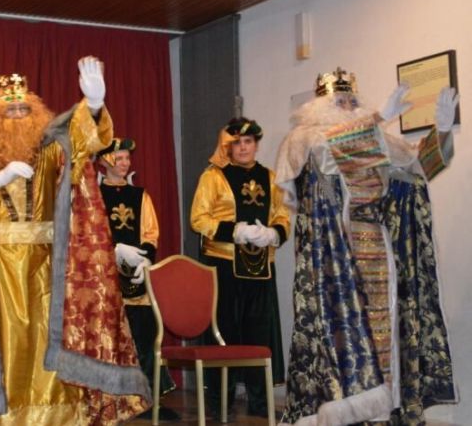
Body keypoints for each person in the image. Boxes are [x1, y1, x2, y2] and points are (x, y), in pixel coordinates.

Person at [0, 58, 149, 426]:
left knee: (50, 338)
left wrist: (94, 104)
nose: (18, 116)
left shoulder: (52, 148)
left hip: (48, 265)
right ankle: (5, 418)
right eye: (10, 110)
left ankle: (59, 417)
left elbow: (83, 142)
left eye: (24, 109)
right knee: (8, 343)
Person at [276, 69, 458, 425]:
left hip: (378, 248)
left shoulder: (377, 138)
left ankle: (382, 411)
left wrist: (442, 131)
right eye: (339, 101)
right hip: (334, 255)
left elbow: (416, 169)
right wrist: (376, 119)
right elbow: (327, 155)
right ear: (320, 105)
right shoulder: (303, 138)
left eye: (351, 101)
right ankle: (343, 413)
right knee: (344, 335)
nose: (347, 106)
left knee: (383, 332)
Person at [190, 117, 289, 419]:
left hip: (260, 269)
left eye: (248, 142)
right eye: (237, 143)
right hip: (224, 267)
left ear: (256, 145)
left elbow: (283, 216)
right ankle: (220, 402)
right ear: (229, 147)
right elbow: (198, 219)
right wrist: (234, 231)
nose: (243, 148)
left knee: (260, 335)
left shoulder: (270, 178)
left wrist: (274, 234)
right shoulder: (213, 176)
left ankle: (260, 403)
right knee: (224, 334)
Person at [97, 137, 179, 422]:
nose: (124, 163)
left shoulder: (140, 195)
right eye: (119, 158)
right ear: (106, 161)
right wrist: (114, 251)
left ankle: (148, 400)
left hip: (138, 277)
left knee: (144, 338)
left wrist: (144, 258)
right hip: (106, 278)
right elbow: (91, 232)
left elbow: (150, 232)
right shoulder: (95, 195)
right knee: (109, 338)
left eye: (127, 159)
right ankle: (111, 400)